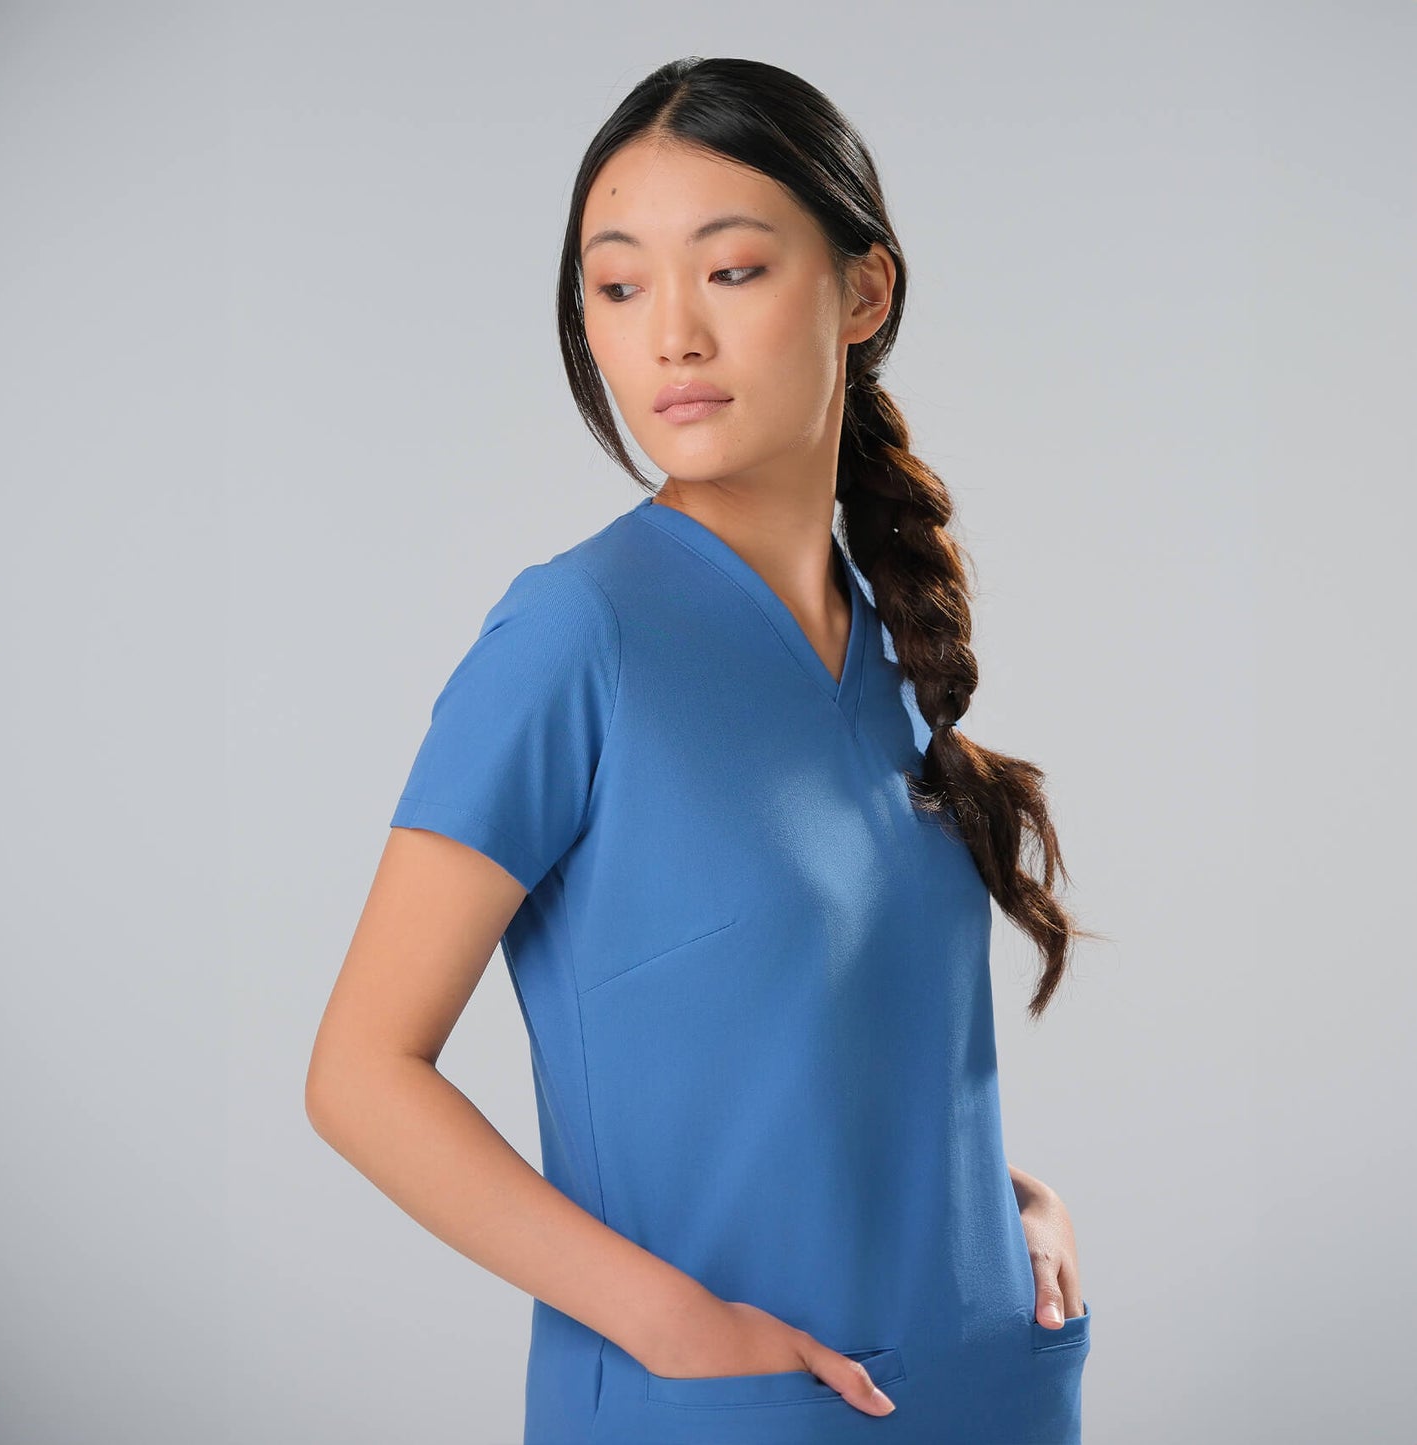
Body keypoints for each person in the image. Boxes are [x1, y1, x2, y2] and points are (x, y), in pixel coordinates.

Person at [306, 55, 1102, 1445]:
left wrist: (998, 1202)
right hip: (730, 1407)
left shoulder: (887, 649)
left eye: (729, 270)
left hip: (979, 1388)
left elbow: (828, 1054)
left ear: (863, 292)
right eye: (617, 287)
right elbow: (361, 1072)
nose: (669, 332)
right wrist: (676, 1328)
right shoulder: (575, 634)